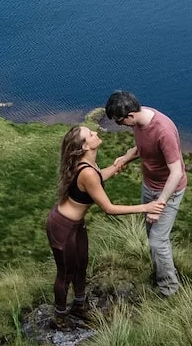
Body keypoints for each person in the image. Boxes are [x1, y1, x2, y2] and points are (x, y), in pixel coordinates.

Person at [47, 123, 155, 325]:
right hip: (62, 227)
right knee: (66, 272)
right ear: (85, 146)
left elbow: (98, 177)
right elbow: (109, 208)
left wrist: (126, 158)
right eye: (90, 133)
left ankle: (79, 306)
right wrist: (146, 207)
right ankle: (60, 317)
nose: (95, 132)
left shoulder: (88, 164)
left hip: (76, 225)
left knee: (82, 264)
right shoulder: (86, 171)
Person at [104, 90, 187, 297]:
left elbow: (176, 172)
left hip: (168, 191)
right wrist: (125, 157)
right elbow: (142, 147)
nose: (120, 125)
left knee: (158, 241)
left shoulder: (163, 130)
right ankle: (161, 274)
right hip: (149, 185)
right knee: (152, 237)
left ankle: (170, 291)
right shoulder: (140, 121)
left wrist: (159, 204)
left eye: (120, 122)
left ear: (130, 115)